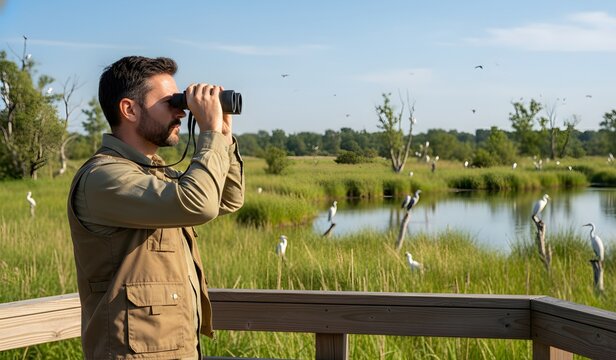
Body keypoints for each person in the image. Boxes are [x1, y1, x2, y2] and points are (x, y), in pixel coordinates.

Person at [67, 56, 244, 359]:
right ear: (129, 109)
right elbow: (199, 205)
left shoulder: (154, 172)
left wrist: (223, 138)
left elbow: (226, 199)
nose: (180, 111)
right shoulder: (103, 177)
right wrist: (209, 133)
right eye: (171, 102)